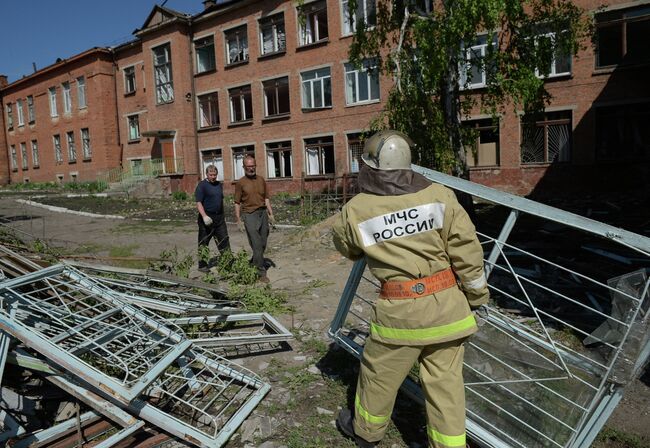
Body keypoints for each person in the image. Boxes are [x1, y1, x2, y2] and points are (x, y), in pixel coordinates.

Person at [332, 130, 489, 448]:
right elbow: (468, 250)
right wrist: (476, 296)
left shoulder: (358, 208)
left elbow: (348, 248)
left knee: (379, 377)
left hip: (400, 316)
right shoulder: (441, 195)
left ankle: (366, 433)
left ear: (371, 166)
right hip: (448, 311)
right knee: (446, 387)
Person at [234, 155, 275, 283]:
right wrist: (238, 220)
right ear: (244, 167)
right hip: (249, 214)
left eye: (253, 166)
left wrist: (271, 214)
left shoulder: (261, 180)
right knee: (256, 243)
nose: (251, 168)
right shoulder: (240, 182)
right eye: (248, 166)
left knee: (263, 243)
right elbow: (237, 202)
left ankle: (254, 261)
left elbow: (266, 198)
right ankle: (260, 272)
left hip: (262, 213)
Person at [195, 164, 230, 272]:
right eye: (211, 175)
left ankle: (228, 262)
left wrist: (223, 216)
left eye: (215, 175)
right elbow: (199, 203)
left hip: (219, 218)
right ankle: (202, 265)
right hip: (206, 218)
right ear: (207, 174)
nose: (213, 177)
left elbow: (220, 201)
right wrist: (204, 216)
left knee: (224, 240)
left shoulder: (219, 185)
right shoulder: (202, 186)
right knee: (204, 242)